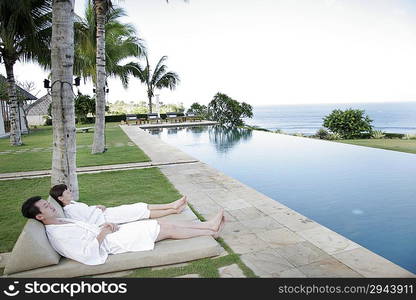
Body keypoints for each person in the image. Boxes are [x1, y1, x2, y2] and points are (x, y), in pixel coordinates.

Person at [21, 196, 225, 265]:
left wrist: (104, 226)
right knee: (167, 228)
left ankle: (209, 226)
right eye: (46, 207)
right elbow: (85, 254)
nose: (51, 206)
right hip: (113, 244)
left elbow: (88, 229)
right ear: (39, 217)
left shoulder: (61, 221)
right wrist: (104, 233)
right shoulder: (57, 235)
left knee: (164, 225)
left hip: (110, 234)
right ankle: (209, 229)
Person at [49, 184, 187, 225]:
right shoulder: (69, 210)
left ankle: (172, 205)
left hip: (106, 212)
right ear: (60, 198)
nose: (70, 192)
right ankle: (173, 209)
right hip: (107, 219)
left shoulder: (72, 203)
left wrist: (96, 207)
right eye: (67, 192)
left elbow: (87, 211)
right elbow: (85, 222)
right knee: (141, 212)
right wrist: (97, 212)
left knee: (139, 205)